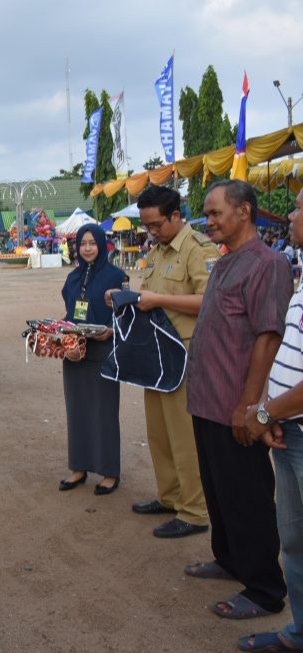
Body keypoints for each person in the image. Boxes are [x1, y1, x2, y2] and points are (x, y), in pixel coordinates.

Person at [183, 180, 291, 621]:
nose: (208, 222)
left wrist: (250, 408)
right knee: (219, 491)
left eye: (214, 213)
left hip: (236, 406)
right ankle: (229, 559)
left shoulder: (268, 264)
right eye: (206, 215)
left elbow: (268, 337)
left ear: (244, 212)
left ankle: (265, 588)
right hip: (207, 401)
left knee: (247, 496)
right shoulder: (226, 262)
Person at [120, 185, 217, 538]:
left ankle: (193, 511)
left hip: (185, 356)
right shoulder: (158, 251)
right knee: (158, 433)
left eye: (157, 224)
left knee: (184, 436)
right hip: (157, 354)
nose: (152, 232)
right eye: (147, 226)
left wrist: (157, 298)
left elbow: (210, 301)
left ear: (176, 216)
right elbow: (151, 298)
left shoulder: (198, 248)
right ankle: (170, 496)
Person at [237, 185, 303, 652]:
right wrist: (273, 407)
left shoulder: (276, 265)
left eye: (299, 207)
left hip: (284, 422)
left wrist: (263, 411)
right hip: (288, 428)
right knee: (294, 543)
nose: (291, 214)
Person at [58, 224, 123, 494]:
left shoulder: (115, 276)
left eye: (92, 243)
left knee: (104, 412)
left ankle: (109, 472)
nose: (87, 248)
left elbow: (124, 316)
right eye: (82, 243)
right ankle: (79, 468)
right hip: (75, 352)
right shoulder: (72, 278)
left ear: (101, 244)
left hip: (103, 351)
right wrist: (62, 338)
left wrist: (111, 330)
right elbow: (70, 312)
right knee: (77, 410)